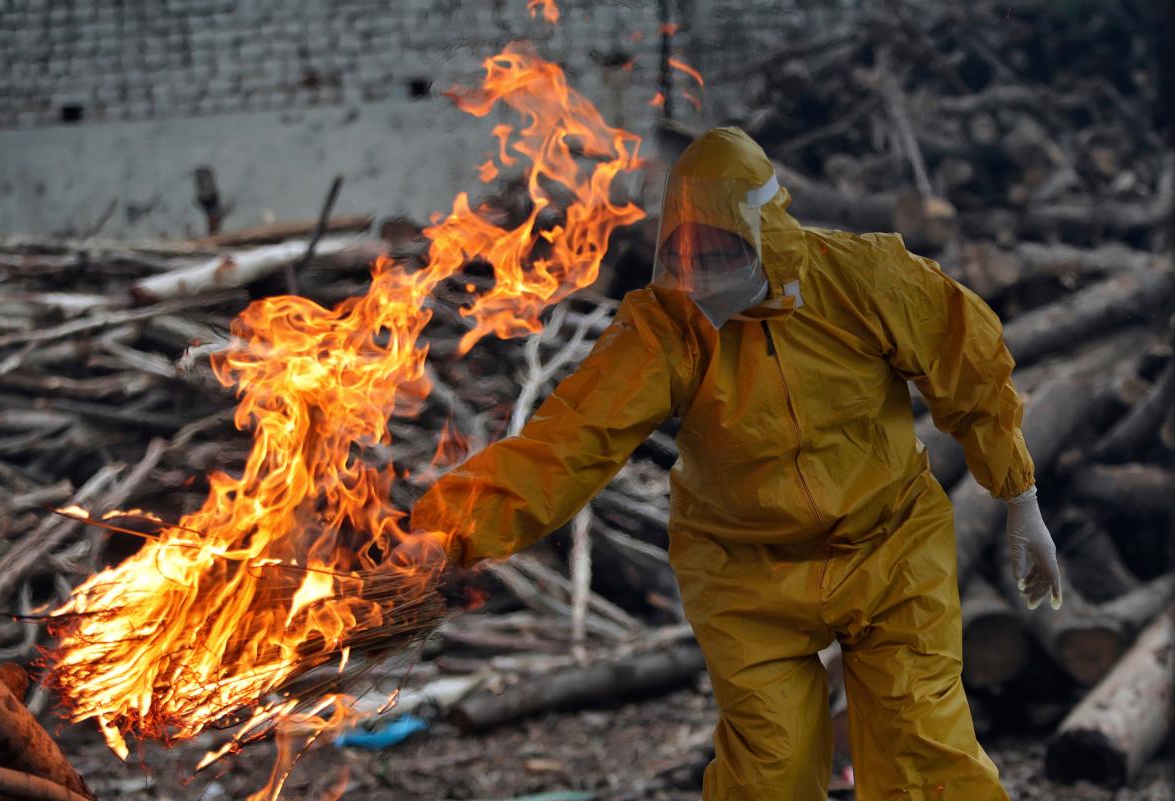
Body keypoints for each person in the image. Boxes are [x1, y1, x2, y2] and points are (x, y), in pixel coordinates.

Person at [411, 126, 1061, 800]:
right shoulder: (667, 326)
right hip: (744, 570)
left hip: (889, 546)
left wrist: (1019, 495)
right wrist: (450, 531)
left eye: (720, 251)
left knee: (925, 754)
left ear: (765, 233)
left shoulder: (867, 279)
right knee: (769, 773)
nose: (703, 273)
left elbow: (970, 369)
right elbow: (570, 441)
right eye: (688, 253)